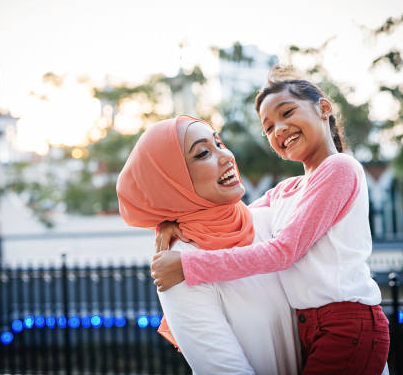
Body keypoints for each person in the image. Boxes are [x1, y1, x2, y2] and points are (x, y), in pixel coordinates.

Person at [151, 66, 390, 375]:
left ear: (324, 108)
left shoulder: (340, 169)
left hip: (346, 324)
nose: (279, 128)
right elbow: (232, 218)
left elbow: (283, 251)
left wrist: (189, 267)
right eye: (268, 127)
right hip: (311, 327)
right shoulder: (286, 190)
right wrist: (177, 222)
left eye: (287, 112)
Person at [116, 115, 301, 374]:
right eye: (203, 153)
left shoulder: (271, 221)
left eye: (219, 143)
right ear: (172, 181)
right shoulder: (178, 266)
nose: (227, 157)